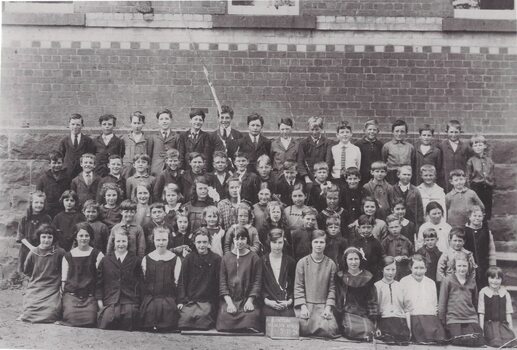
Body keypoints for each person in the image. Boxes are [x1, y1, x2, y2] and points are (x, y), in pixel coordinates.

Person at [294, 230, 339, 338]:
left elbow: (332, 289)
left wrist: (328, 308)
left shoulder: (331, 264)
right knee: (301, 328)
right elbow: (298, 286)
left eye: (321, 242)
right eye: (316, 242)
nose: (318, 245)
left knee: (330, 329)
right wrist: (303, 307)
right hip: (306, 304)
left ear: (326, 244)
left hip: (323, 305)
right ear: (311, 243)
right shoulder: (303, 262)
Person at [217, 226, 263, 332]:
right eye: (236, 238)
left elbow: (257, 282)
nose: (239, 242)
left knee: (252, 317)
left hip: (247, 299)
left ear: (247, 240)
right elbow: (222, 283)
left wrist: (250, 301)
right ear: (232, 240)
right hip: (230, 299)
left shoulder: (254, 258)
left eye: (243, 238)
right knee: (224, 316)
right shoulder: (226, 258)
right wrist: (229, 303)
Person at [96, 231, 142, 331]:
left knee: (130, 319)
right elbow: (99, 283)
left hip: (129, 299)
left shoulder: (135, 260)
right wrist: (100, 301)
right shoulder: (105, 260)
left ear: (128, 242)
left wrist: (137, 301)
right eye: (118, 241)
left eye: (123, 241)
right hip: (111, 299)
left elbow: (140, 283)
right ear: (114, 242)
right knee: (108, 320)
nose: (121, 244)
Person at [19, 224, 66, 323]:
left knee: (52, 311)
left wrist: (62, 285)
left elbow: (65, 271)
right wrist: (27, 286)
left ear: (53, 238)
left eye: (49, 237)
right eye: (43, 237)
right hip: (36, 286)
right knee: (29, 312)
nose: (46, 240)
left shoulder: (60, 252)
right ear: (39, 237)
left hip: (52, 287)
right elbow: (27, 272)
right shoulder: (33, 252)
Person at [61, 222, 104, 327]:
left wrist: (99, 299)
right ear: (76, 237)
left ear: (90, 237)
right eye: (81, 235)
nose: (83, 238)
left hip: (89, 296)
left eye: (86, 235)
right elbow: (64, 280)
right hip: (72, 295)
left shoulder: (98, 255)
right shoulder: (68, 256)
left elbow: (101, 279)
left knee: (90, 319)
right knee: (71, 317)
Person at [438, 252, 485, 347]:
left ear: (469, 266)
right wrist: (442, 323)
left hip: (470, 318)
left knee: (479, 340)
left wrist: (476, 320)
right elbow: (442, 303)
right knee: (457, 340)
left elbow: (475, 302)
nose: (462, 268)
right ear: (454, 266)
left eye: (464, 266)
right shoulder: (448, 280)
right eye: (459, 266)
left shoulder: (472, 281)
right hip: (454, 319)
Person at [178, 228, 222, 329]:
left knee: (203, 321)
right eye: (199, 242)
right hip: (190, 300)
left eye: (204, 242)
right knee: (184, 322)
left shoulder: (216, 259)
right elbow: (182, 281)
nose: (201, 245)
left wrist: (214, 303)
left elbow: (218, 283)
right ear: (194, 242)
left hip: (207, 300)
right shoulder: (189, 258)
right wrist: (181, 300)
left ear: (209, 243)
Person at [140, 228, 181, 331]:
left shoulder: (175, 259)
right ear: (153, 240)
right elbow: (143, 282)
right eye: (158, 240)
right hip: (151, 298)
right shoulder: (147, 259)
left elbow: (178, 283)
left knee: (169, 319)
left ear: (168, 240)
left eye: (164, 240)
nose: (161, 243)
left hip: (168, 298)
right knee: (149, 315)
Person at [400, 254, 446, 344]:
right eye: (416, 268)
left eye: (422, 268)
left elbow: (434, 304)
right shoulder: (404, 281)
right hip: (412, 316)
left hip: (429, 316)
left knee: (438, 337)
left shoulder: (430, 282)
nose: (419, 271)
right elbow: (402, 305)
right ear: (411, 268)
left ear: (426, 269)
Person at [336, 247, 379, 341]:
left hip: (363, 314)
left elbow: (372, 300)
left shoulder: (367, 277)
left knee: (368, 331)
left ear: (360, 260)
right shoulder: (341, 276)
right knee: (351, 330)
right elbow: (339, 299)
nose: (353, 262)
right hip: (347, 312)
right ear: (345, 260)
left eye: (356, 259)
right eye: (350, 259)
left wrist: (373, 318)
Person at [374, 256, 411, 344]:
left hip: (399, 321)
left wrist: (409, 329)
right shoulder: (377, 286)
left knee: (402, 339)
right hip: (384, 320)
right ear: (382, 270)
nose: (390, 273)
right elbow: (375, 310)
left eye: (393, 269)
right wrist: (376, 327)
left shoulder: (401, 286)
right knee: (387, 338)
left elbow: (407, 309)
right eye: (387, 269)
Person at [261, 229, 296, 318]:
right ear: (269, 243)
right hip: (269, 302)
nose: (277, 246)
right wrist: (267, 301)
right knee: (266, 317)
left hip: (286, 302)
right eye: (274, 242)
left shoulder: (290, 262)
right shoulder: (262, 261)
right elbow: (259, 284)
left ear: (284, 243)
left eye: (280, 242)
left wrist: (289, 301)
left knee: (289, 318)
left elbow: (294, 285)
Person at [478, 266, 516, 347]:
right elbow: (481, 313)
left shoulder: (505, 293)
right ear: (487, 278)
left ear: (502, 279)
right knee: (496, 341)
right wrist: (481, 331)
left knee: (510, 340)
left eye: (498, 278)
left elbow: (508, 313)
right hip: (489, 324)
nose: (494, 281)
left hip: (502, 324)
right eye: (492, 278)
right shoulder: (483, 292)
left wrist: (511, 329)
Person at [15, 191, 52, 274]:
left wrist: (40, 247)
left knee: (39, 271)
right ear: (31, 203)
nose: (39, 205)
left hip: (41, 248)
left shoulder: (47, 218)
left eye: (41, 203)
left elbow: (49, 234)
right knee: (25, 271)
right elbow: (21, 235)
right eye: (36, 202)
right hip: (26, 248)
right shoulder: (25, 218)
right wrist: (31, 247)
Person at [464, 205, 496, 289]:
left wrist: (492, 265)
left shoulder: (486, 232)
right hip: (468, 265)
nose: (477, 218)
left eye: (479, 216)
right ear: (469, 217)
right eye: (474, 216)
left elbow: (491, 249)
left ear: (483, 217)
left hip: (483, 265)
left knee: (482, 285)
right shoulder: (465, 231)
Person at [297, 116, 332, 188]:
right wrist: (306, 177)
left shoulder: (327, 143)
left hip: (323, 176)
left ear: (321, 129)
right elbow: (300, 162)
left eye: (317, 129)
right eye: (312, 129)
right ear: (309, 129)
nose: (314, 132)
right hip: (308, 177)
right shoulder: (303, 143)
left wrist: (321, 175)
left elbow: (328, 161)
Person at [466, 134, 495, 220]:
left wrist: (491, 184)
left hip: (487, 188)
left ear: (484, 146)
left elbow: (492, 174)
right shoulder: (471, 161)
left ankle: (485, 229)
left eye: (480, 145)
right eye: (475, 145)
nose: (478, 147)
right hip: (477, 189)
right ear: (472, 147)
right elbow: (468, 177)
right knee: (477, 210)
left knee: (486, 210)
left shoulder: (489, 161)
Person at [35, 150, 71, 218]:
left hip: (62, 210)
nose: (57, 165)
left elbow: (70, 194)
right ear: (49, 164)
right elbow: (38, 196)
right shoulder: (43, 179)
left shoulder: (67, 178)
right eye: (54, 163)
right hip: (47, 211)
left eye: (59, 163)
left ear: (62, 163)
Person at [439, 120, 472, 191]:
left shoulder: (465, 146)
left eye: (456, 132)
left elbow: (469, 161)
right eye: (451, 132)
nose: (453, 134)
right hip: (446, 178)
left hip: (460, 178)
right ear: (446, 132)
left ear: (460, 132)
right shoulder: (442, 145)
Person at [58, 113, 95, 178]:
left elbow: (91, 157)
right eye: (73, 124)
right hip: (67, 174)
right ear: (69, 125)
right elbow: (61, 157)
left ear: (82, 126)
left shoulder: (88, 141)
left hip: (82, 174)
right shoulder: (64, 141)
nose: (75, 127)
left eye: (78, 125)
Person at [349, 214, 384, 281]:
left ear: (373, 227)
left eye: (368, 227)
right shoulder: (355, 243)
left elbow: (380, 260)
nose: (366, 230)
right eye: (364, 227)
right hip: (358, 274)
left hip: (373, 274)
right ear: (359, 228)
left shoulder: (376, 243)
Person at [381, 119, 415, 185]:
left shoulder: (410, 147)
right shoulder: (387, 146)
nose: (399, 134)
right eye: (397, 131)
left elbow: (413, 162)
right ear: (392, 132)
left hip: (405, 175)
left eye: (402, 131)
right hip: (391, 175)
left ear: (406, 133)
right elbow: (384, 160)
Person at [121, 111, 153, 178]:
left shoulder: (148, 139)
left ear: (143, 124)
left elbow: (149, 155)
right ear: (131, 123)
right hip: (127, 169)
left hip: (142, 170)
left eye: (139, 123)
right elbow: (121, 154)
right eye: (134, 123)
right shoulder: (124, 138)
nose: (136, 126)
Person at [381, 215, 413, 280]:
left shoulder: (406, 241)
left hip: (404, 270)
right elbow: (382, 255)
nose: (394, 229)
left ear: (401, 227)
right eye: (391, 227)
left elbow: (412, 254)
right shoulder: (385, 242)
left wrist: (406, 257)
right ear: (388, 228)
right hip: (390, 271)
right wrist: (393, 259)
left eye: (396, 227)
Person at [93, 114, 125, 178]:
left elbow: (120, 155)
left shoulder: (119, 141)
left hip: (113, 173)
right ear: (100, 125)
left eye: (109, 124)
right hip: (98, 173)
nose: (107, 126)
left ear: (114, 125)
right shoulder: (95, 141)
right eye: (104, 124)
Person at [355, 119, 383, 186]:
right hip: (362, 176)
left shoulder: (380, 145)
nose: (372, 132)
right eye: (369, 129)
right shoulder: (358, 144)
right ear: (364, 131)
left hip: (375, 176)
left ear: (378, 131)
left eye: (374, 130)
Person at [150, 108, 177, 176]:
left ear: (171, 120)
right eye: (161, 119)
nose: (164, 121)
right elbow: (149, 155)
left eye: (166, 119)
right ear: (158, 122)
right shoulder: (153, 137)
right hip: (156, 170)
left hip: (171, 169)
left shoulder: (176, 136)